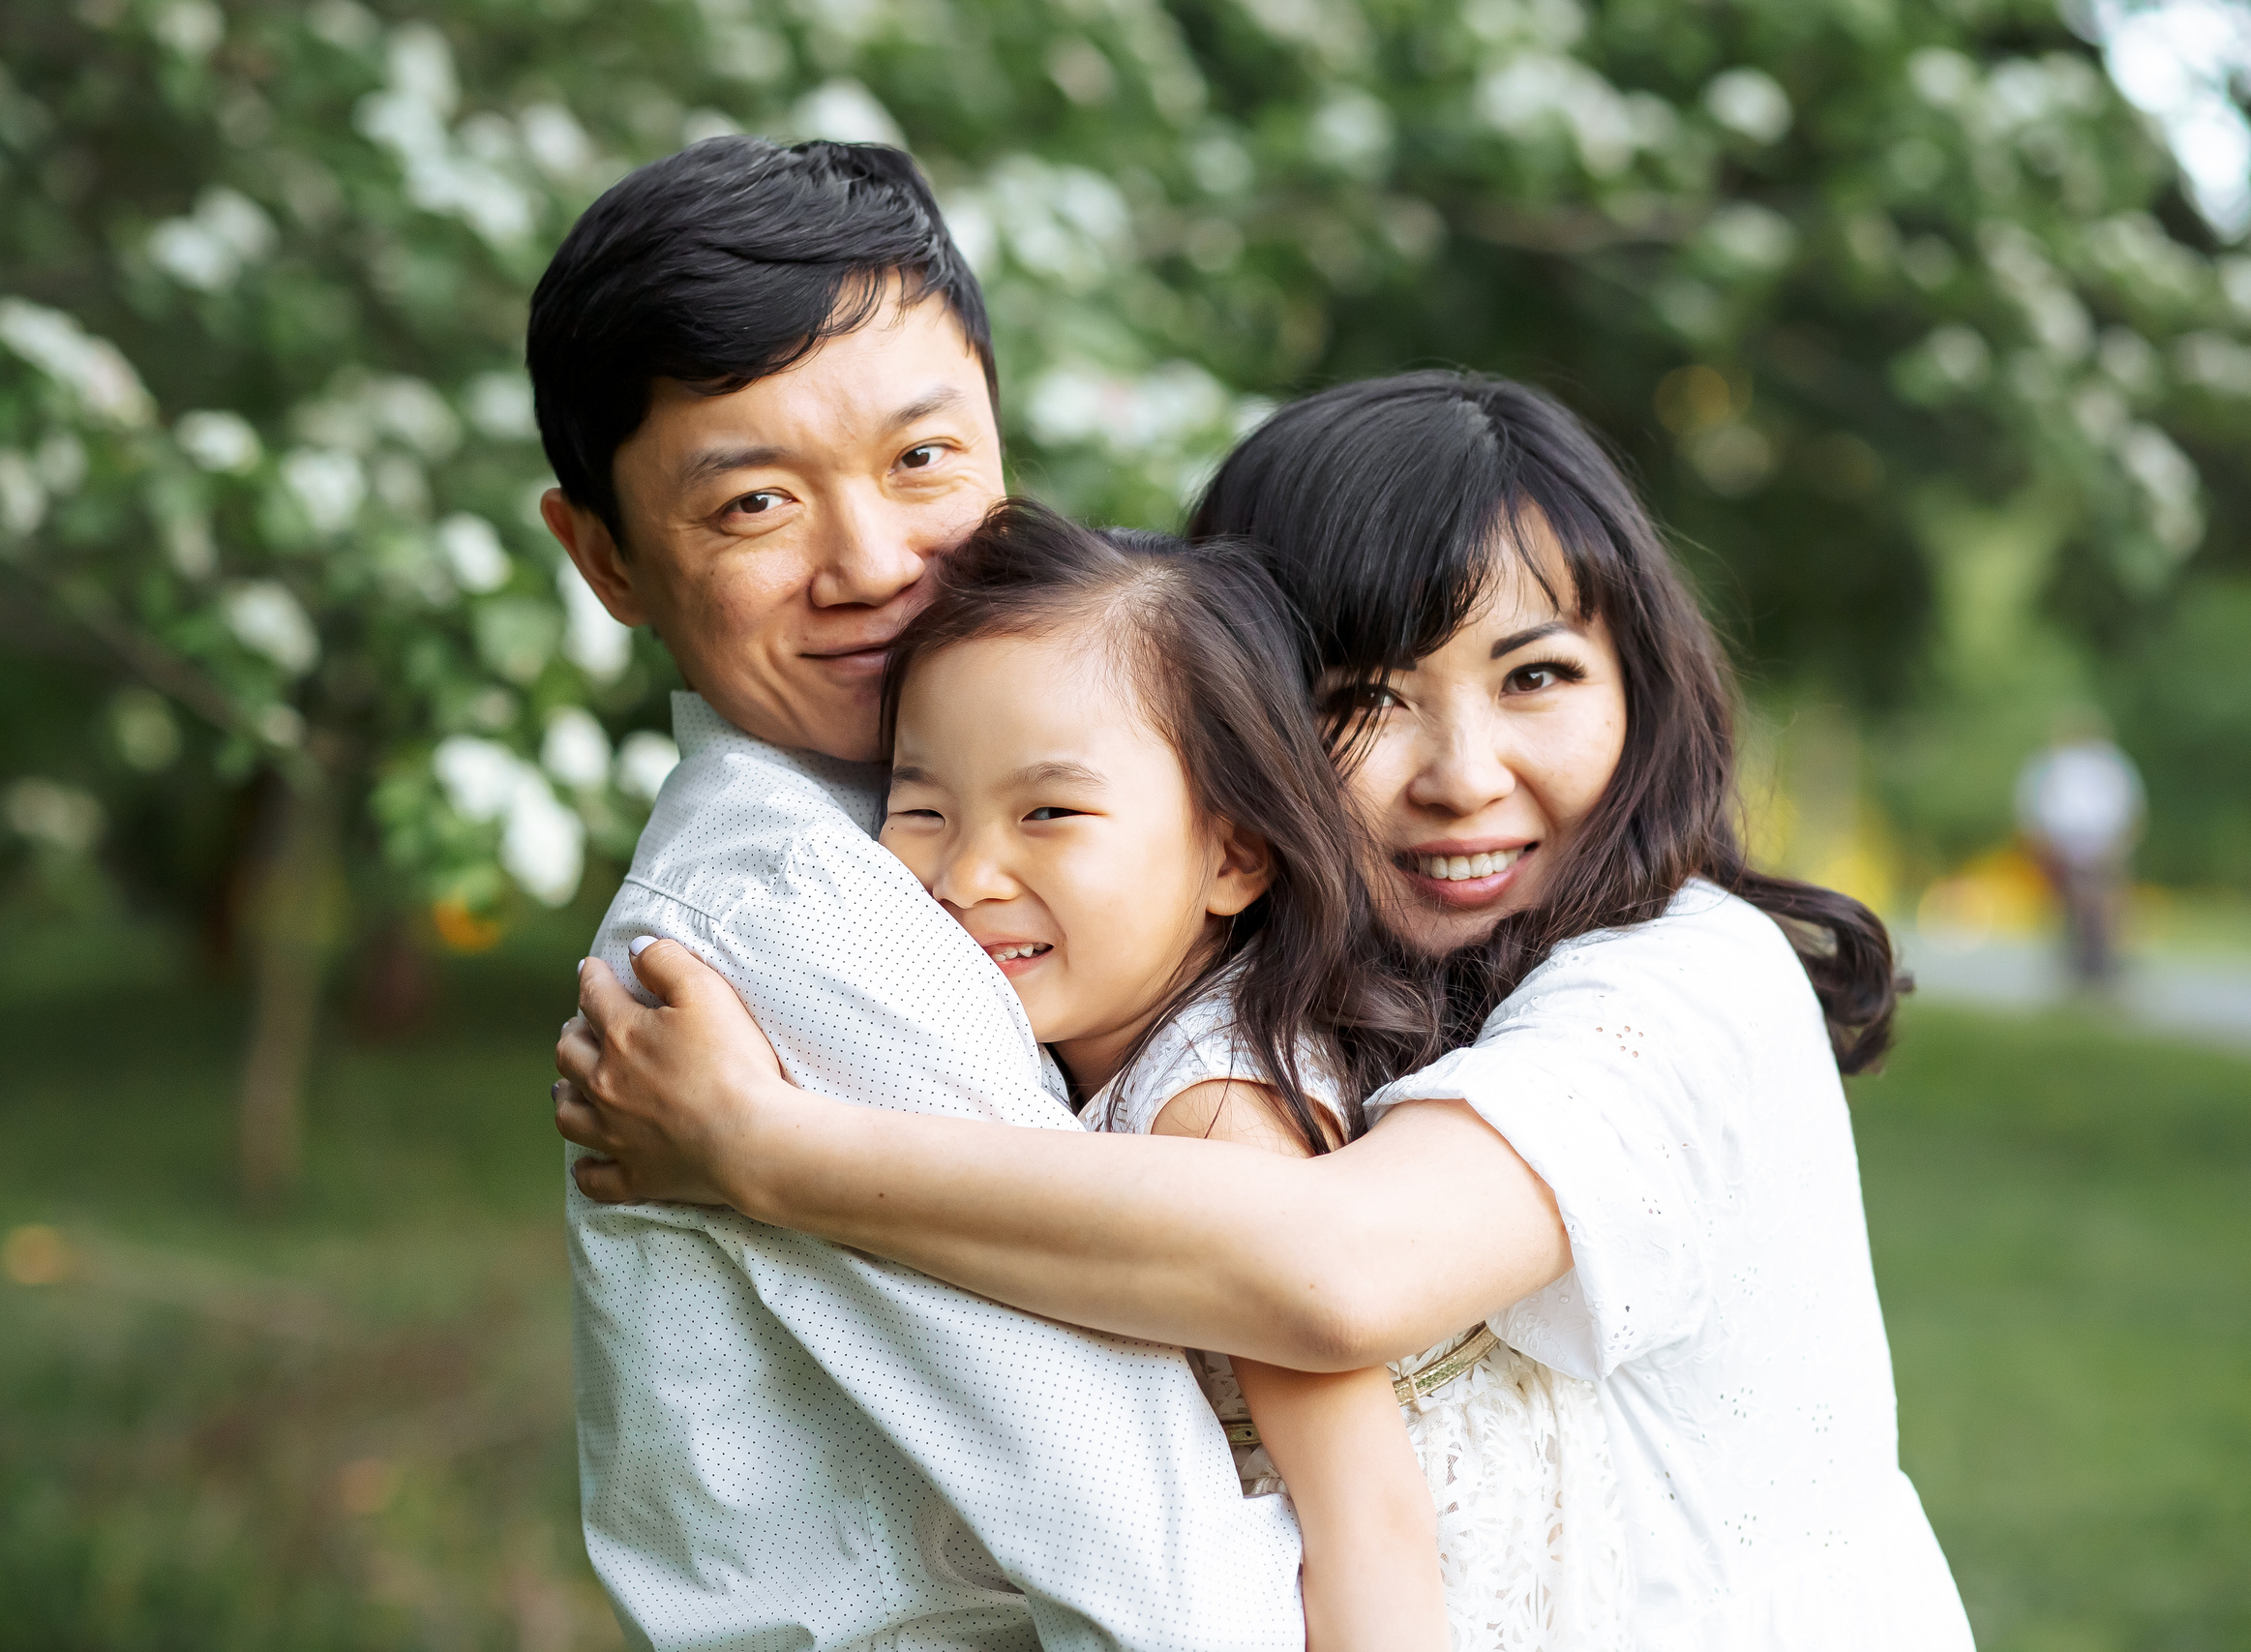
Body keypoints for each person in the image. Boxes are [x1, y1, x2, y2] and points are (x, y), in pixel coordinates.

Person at [556, 372, 1977, 1649]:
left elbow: (1337, 1272)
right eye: (1365, 699)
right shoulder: (1314, 1007)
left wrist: (761, 1149)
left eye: (1537, 674)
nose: (1463, 773)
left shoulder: (1684, 977)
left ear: (1640, 683)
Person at [530, 136, 1304, 1647]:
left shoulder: (927, 821)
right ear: (605, 558)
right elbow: (1150, 1543)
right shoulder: (795, 913)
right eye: (753, 504)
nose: (875, 561)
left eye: (923, 459)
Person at [871, 496, 1629, 1650]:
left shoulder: (1212, 1104)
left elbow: (1367, 1517)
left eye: (1050, 812)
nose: (967, 871)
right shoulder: (1065, 1044)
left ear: (1230, 855)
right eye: (920, 806)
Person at [2015, 709, 2145, 989]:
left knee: (2104, 907)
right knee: (2069, 907)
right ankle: (2076, 964)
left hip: (2103, 845)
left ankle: (2103, 963)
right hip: (2064, 845)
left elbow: (2128, 809)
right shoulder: (2052, 765)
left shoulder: (2110, 765)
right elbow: (2036, 808)